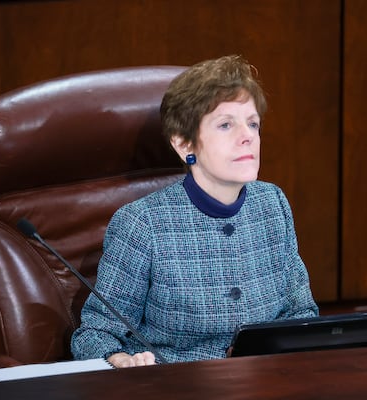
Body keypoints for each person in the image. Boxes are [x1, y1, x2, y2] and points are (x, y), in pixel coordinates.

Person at [71, 55, 319, 368]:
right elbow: (96, 332)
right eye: (226, 124)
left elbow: (301, 314)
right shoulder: (141, 223)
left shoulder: (273, 204)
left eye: (253, 123)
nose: (247, 136)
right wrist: (119, 359)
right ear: (185, 144)